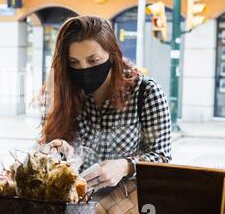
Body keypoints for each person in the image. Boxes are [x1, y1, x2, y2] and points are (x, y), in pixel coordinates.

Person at [37, 15, 172, 192]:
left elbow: (162, 158)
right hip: (70, 205)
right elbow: (45, 153)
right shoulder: (61, 92)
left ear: (112, 55)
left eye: (93, 61)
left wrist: (125, 166)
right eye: (74, 63)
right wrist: (55, 151)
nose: (84, 68)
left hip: (124, 210)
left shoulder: (146, 92)